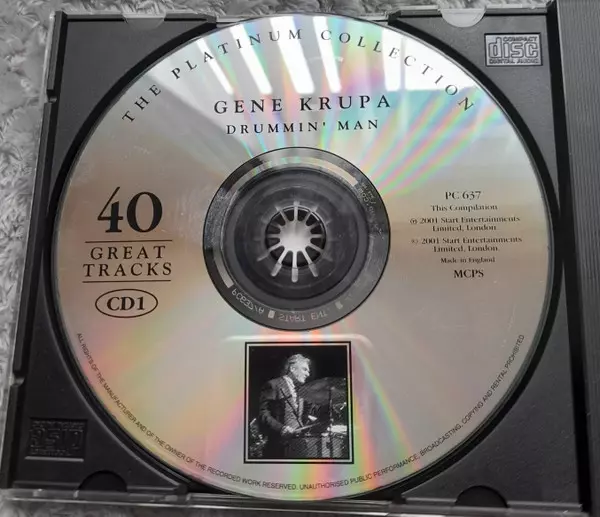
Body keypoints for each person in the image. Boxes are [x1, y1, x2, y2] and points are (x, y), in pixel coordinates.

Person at [258, 353, 312, 459]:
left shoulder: (302, 390)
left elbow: (301, 416)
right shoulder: (273, 385)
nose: (308, 374)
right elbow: (263, 414)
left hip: (298, 446)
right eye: (305, 369)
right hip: (278, 447)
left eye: (308, 371)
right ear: (292, 368)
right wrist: (281, 428)